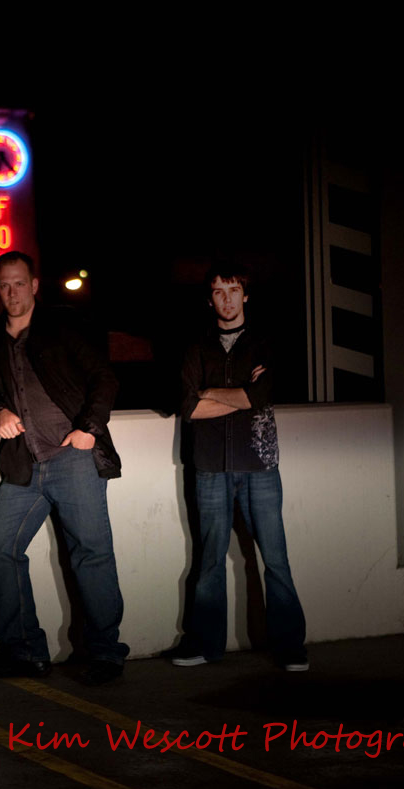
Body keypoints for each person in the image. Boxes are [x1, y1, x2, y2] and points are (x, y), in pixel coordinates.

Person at [0, 251, 130, 686]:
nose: (12, 292)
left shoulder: (63, 326)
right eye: (4, 285)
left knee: (92, 555)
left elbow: (105, 378)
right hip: (24, 465)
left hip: (73, 459)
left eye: (19, 283)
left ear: (35, 285)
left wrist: (89, 429)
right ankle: (24, 650)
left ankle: (106, 653)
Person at [172, 263, 308, 671]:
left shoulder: (265, 343)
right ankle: (204, 644)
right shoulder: (196, 346)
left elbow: (259, 397)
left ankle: (290, 646)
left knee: (275, 558)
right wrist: (241, 394)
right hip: (210, 463)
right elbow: (188, 407)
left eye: (233, 291)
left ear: (245, 295)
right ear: (209, 299)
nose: (227, 299)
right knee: (209, 558)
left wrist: (211, 392)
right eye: (219, 292)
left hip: (258, 462)